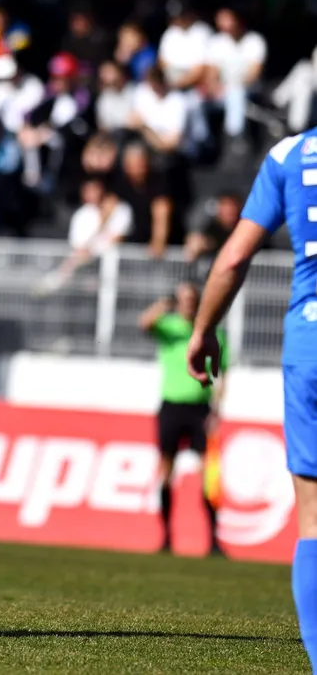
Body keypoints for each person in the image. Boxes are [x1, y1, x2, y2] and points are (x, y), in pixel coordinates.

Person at [187, 129, 317, 671]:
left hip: (310, 346)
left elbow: (233, 257)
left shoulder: (289, 154)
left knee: (313, 521)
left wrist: (203, 328)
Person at [140, 282, 226, 556]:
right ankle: (166, 537)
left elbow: (222, 373)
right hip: (172, 407)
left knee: (208, 474)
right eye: (183, 299)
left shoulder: (212, 332)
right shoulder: (169, 327)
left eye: (192, 299)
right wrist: (163, 305)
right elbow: (144, 323)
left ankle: (213, 541)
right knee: (166, 470)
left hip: (200, 410)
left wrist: (216, 410)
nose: (188, 304)